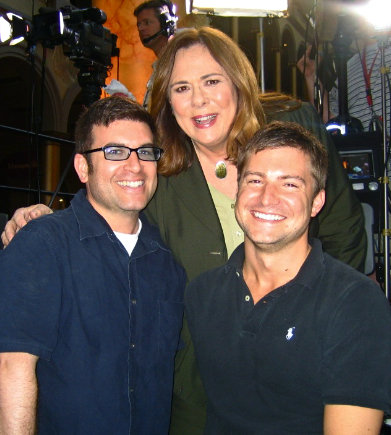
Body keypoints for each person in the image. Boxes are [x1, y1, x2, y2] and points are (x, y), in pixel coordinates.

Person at [1, 27, 367, 434]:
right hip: (198, 382)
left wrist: (321, 323)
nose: (199, 100)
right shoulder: (159, 173)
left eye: (211, 81)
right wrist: (44, 218)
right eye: (181, 88)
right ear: (168, 103)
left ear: (239, 83)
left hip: (300, 369)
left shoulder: (292, 133)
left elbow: (345, 233)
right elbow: (110, 207)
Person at [185, 120, 391, 434]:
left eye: (290, 184)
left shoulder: (355, 303)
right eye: (255, 180)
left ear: (316, 202)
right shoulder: (202, 293)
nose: (267, 198)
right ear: (238, 189)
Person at [0, 96, 186, 434]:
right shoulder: (44, 245)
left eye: (145, 151)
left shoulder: (166, 264)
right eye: (115, 152)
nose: (135, 165)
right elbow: (12, 367)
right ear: (83, 168)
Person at [134, 0, 177, 108]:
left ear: (166, 23)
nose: (140, 28)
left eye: (147, 22)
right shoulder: (159, 66)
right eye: (139, 24)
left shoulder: (178, 61)